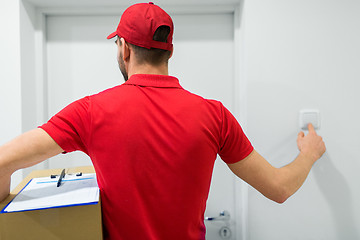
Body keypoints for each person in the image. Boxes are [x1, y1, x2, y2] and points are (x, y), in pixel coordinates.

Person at [0, 2, 326, 240]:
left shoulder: (90, 111)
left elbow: (3, 162)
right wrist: (309, 153)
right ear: (169, 52)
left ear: (124, 49)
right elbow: (279, 189)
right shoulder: (215, 115)